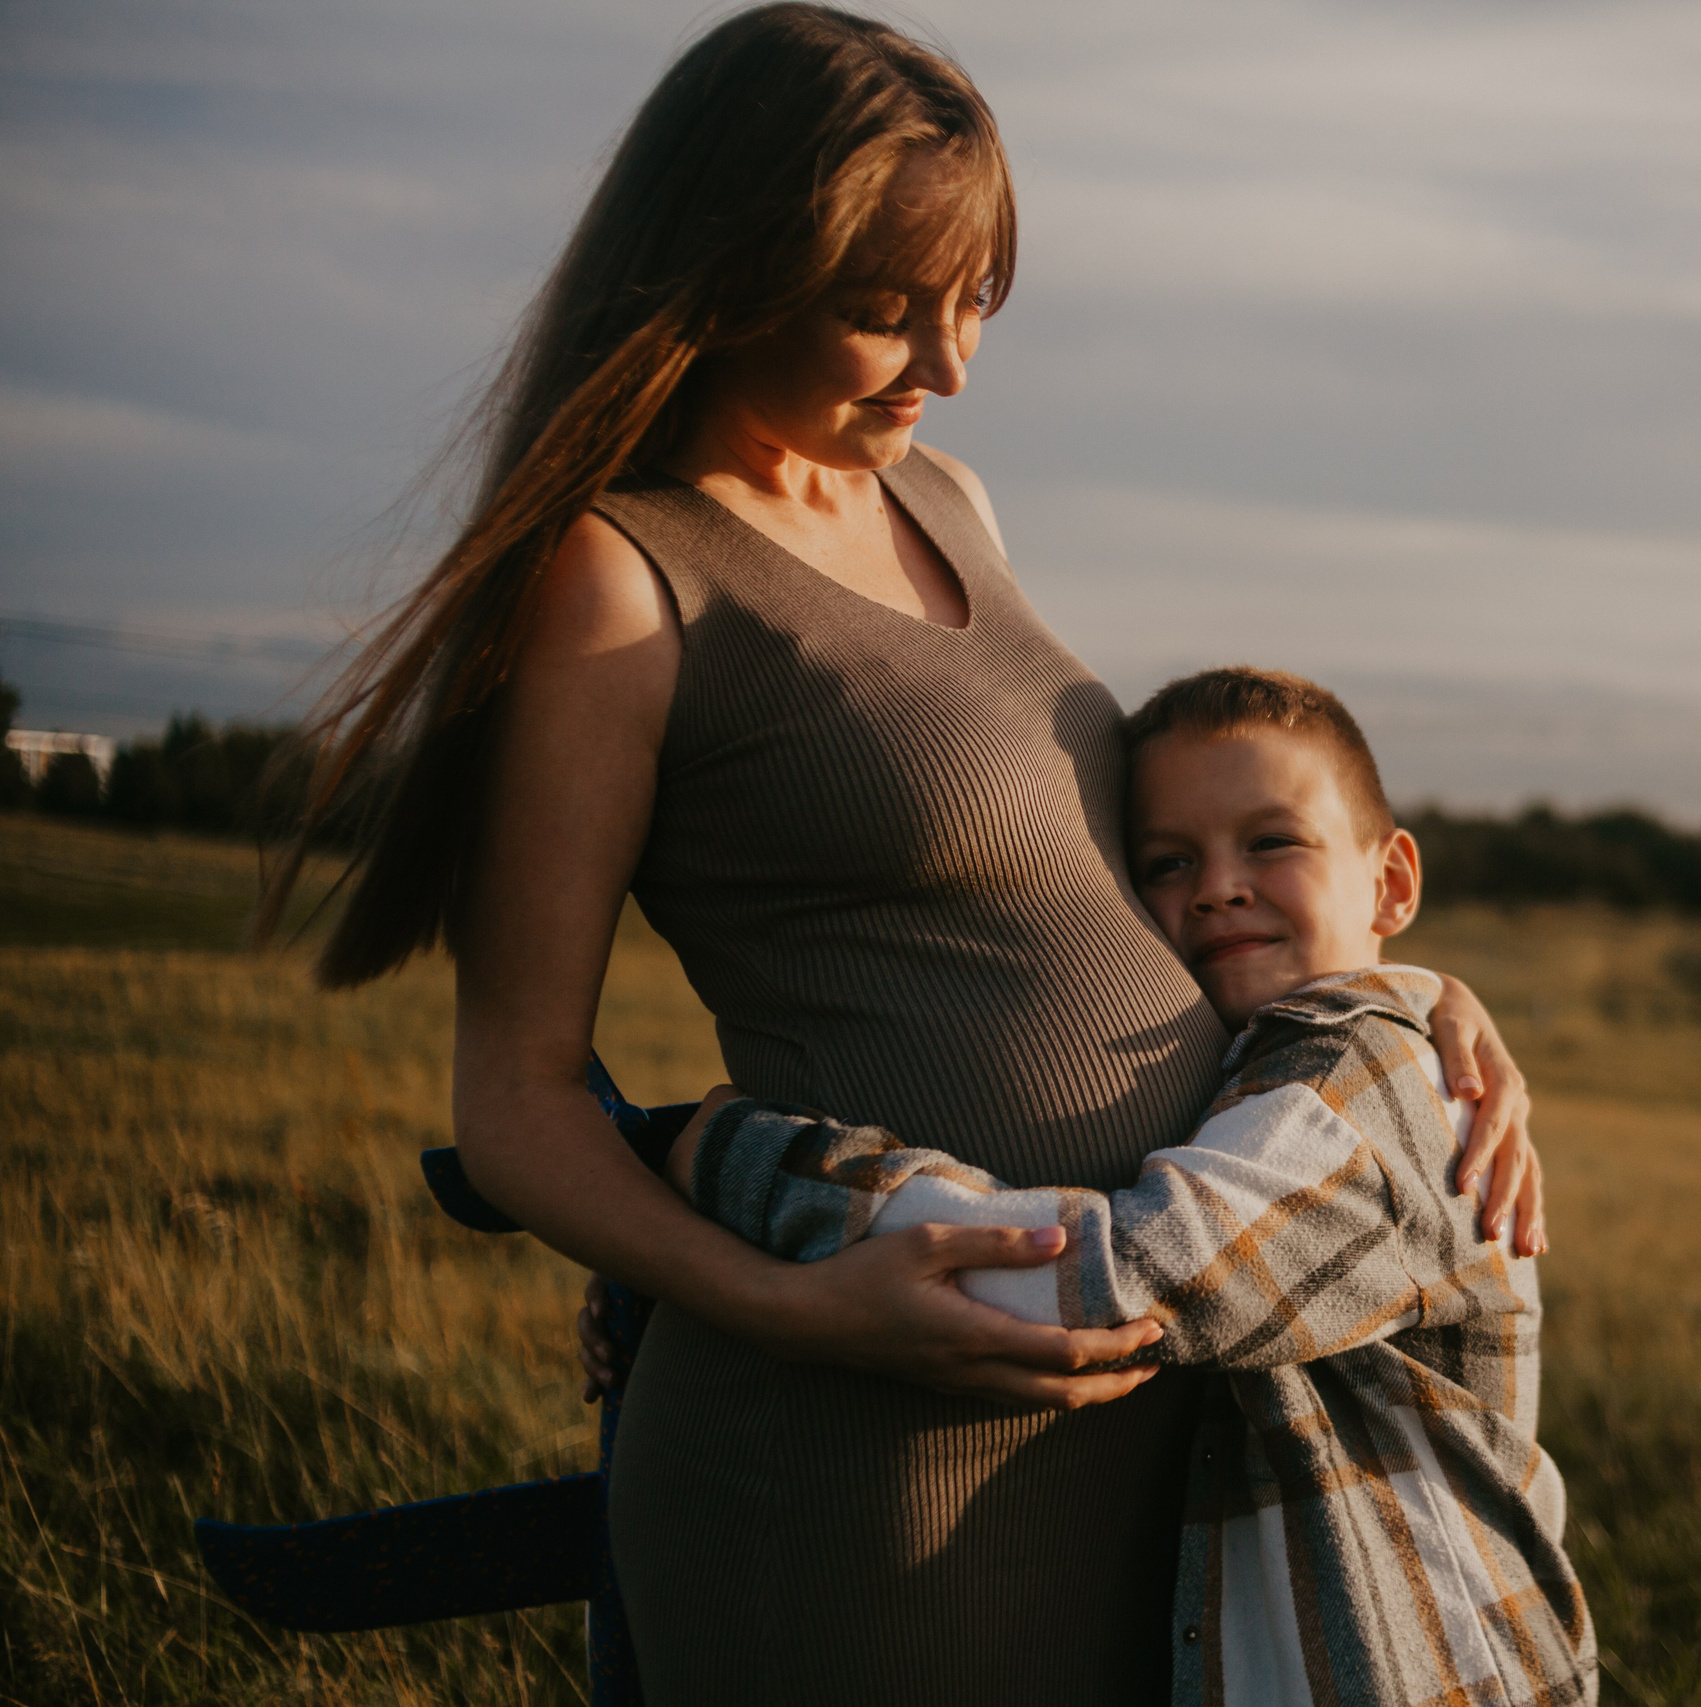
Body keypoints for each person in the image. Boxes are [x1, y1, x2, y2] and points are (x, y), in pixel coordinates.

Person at [256, 8, 1546, 1702]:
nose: (944, 363)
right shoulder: (622, 579)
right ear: (720, 267)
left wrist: (1402, 991)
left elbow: (1089, 890)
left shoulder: (953, 502)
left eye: (976, 303)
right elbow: (514, 1100)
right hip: (865, 1450)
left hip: (1133, 1443)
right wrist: (797, 1312)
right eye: (882, 309)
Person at [630, 667, 1598, 1706]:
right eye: (1168, 862)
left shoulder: (1369, 1077)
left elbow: (1115, 1284)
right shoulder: (1272, 1071)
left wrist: (731, 1161)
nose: (1218, 885)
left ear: (1393, 883)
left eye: (1272, 841)